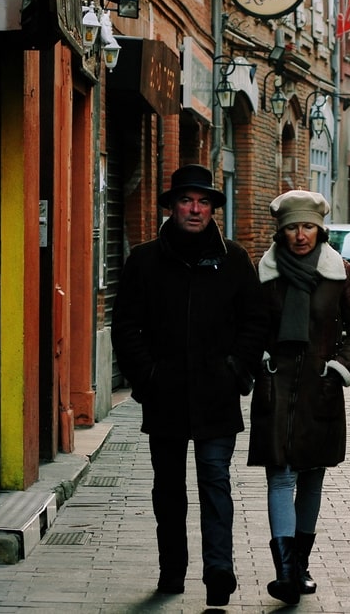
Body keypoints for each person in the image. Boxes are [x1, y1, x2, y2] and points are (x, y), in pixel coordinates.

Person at [111, 164, 267, 607]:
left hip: (218, 394)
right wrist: (147, 378)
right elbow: (126, 326)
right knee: (168, 488)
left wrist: (237, 369)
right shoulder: (144, 260)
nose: (195, 209)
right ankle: (172, 570)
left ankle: (219, 570)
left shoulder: (234, 259)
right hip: (166, 396)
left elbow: (255, 321)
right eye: (186, 200)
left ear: (213, 209)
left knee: (215, 482)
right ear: (172, 207)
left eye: (203, 202)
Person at [249, 190, 350, 604]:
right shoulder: (264, 273)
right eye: (291, 228)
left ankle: (299, 565)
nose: (300, 235)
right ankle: (285, 573)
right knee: (280, 475)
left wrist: (338, 368)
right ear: (280, 232)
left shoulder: (339, 272)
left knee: (311, 475)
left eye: (307, 226)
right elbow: (246, 326)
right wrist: (261, 360)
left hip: (320, 389)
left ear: (319, 230)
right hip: (277, 386)